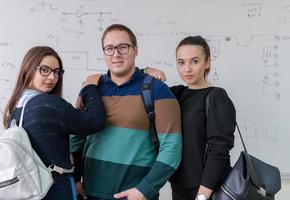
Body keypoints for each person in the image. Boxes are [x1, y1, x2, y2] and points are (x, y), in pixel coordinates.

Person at [70, 24, 182, 200]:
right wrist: (75, 180)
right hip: (89, 194)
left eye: (123, 47)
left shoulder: (157, 90)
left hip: (136, 196)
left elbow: (172, 147)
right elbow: (74, 141)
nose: (116, 54)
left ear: (135, 50)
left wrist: (145, 190)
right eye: (109, 48)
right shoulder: (90, 90)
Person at [3, 46, 106, 200]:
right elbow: (95, 121)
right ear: (28, 69)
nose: (52, 77)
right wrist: (90, 87)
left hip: (28, 191)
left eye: (57, 72)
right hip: (55, 189)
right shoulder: (48, 104)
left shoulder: (15, 110)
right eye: (45, 70)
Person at [146, 36, 236, 200]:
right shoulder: (176, 94)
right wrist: (145, 71)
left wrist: (203, 194)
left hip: (208, 189)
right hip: (180, 186)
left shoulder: (216, 96)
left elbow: (220, 148)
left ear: (207, 62)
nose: (187, 69)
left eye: (194, 61)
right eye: (181, 62)